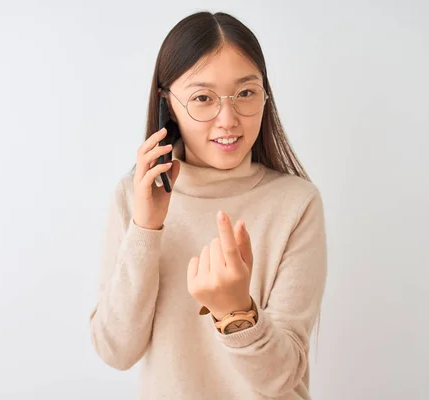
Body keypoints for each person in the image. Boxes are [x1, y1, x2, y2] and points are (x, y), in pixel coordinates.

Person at [89, 11, 327, 400]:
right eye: (203, 98)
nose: (228, 119)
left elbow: (280, 378)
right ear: (168, 104)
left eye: (246, 93)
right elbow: (116, 350)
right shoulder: (134, 196)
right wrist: (146, 228)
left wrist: (236, 312)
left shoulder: (296, 204)